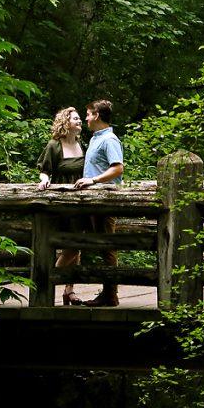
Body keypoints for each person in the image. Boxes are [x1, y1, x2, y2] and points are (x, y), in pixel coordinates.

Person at [74, 99, 124, 307]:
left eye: (87, 114)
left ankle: (110, 295)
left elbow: (117, 168)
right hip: (94, 201)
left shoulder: (109, 140)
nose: (85, 118)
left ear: (96, 115)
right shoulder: (96, 138)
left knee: (107, 247)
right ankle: (107, 293)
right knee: (98, 245)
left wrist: (93, 180)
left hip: (106, 200)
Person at [36, 107, 86, 305]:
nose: (80, 121)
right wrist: (44, 180)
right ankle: (48, 279)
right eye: (76, 118)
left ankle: (69, 290)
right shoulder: (54, 145)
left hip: (81, 203)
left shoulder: (82, 145)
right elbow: (44, 169)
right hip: (62, 204)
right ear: (66, 122)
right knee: (70, 246)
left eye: (80, 118)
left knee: (78, 246)